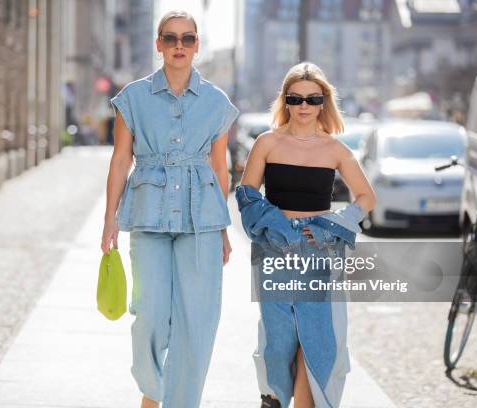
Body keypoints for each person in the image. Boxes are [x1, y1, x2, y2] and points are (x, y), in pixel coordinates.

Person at [100, 10, 240, 408]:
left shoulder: (216, 102)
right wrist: (110, 219)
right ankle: (153, 392)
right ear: (158, 44)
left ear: (197, 46)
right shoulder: (132, 98)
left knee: (197, 321)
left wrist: (224, 229)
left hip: (203, 222)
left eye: (188, 38)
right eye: (171, 38)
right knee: (150, 313)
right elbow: (120, 160)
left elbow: (219, 168)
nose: (180, 46)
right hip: (148, 214)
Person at [237, 62, 376, 408]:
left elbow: (366, 197)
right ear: (284, 100)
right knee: (279, 340)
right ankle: (274, 399)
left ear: (323, 102)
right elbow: (247, 194)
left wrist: (332, 226)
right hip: (274, 250)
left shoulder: (335, 150)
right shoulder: (266, 142)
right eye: (295, 98)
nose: (303, 106)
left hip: (320, 253)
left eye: (312, 99)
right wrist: (275, 227)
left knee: (316, 341)